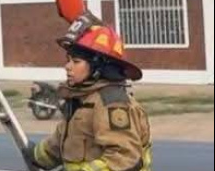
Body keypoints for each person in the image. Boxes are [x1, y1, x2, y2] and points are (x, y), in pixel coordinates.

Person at [28, 15, 153, 171]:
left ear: (98, 67)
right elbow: (63, 141)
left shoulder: (111, 103)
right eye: (68, 60)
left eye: (76, 61)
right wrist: (37, 155)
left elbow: (123, 158)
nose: (67, 66)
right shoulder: (82, 99)